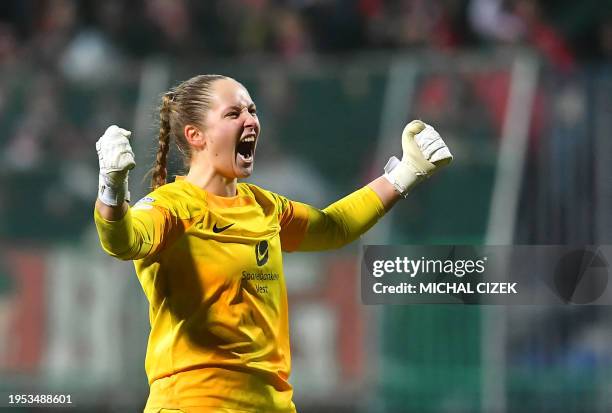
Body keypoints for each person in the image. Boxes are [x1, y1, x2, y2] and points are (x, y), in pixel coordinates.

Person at [93, 74, 452, 413]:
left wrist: (406, 171)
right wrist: (112, 186)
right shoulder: (171, 207)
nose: (250, 121)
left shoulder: (264, 206)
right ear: (195, 135)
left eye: (252, 110)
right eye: (233, 113)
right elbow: (122, 241)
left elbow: (334, 227)